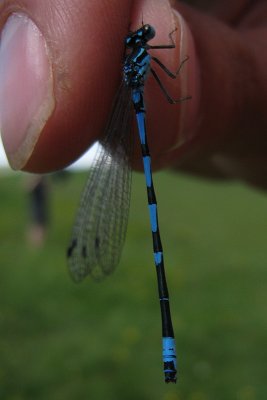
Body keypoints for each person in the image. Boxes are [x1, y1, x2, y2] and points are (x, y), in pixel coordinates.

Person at [0, 0, 266, 189]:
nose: (143, 34)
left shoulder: (135, 56)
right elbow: (172, 74)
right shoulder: (138, 58)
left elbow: (171, 73)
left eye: (145, 33)